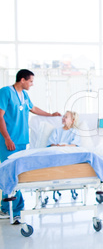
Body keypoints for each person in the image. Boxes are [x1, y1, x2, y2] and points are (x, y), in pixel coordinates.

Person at [0, 69, 61, 224]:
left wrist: (50, 115)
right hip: (9, 141)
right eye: (31, 81)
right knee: (10, 174)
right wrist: (7, 138)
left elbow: (33, 109)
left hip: (21, 140)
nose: (32, 84)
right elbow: (0, 116)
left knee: (17, 174)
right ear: (22, 80)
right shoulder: (6, 92)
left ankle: (10, 207)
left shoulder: (24, 95)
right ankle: (11, 209)